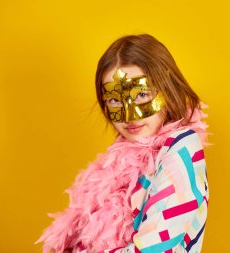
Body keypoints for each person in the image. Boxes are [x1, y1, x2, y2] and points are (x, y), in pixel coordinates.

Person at [36, 34, 210, 253]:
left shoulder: (183, 149)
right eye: (115, 100)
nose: (130, 115)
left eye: (141, 95)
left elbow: (153, 249)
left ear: (168, 89)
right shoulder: (120, 160)